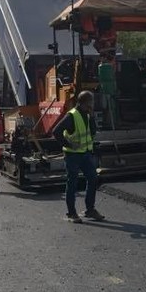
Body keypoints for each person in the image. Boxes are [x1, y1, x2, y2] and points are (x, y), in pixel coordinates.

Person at [52, 90, 105, 223]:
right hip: (72, 155)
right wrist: (69, 144)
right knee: (72, 182)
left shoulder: (87, 115)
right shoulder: (72, 116)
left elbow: (92, 132)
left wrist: (92, 117)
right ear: (86, 103)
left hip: (85, 154)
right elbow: (56, 131)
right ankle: (71, 213)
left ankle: (90, 210)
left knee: (93, 178)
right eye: (91, 102)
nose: (93, 105)